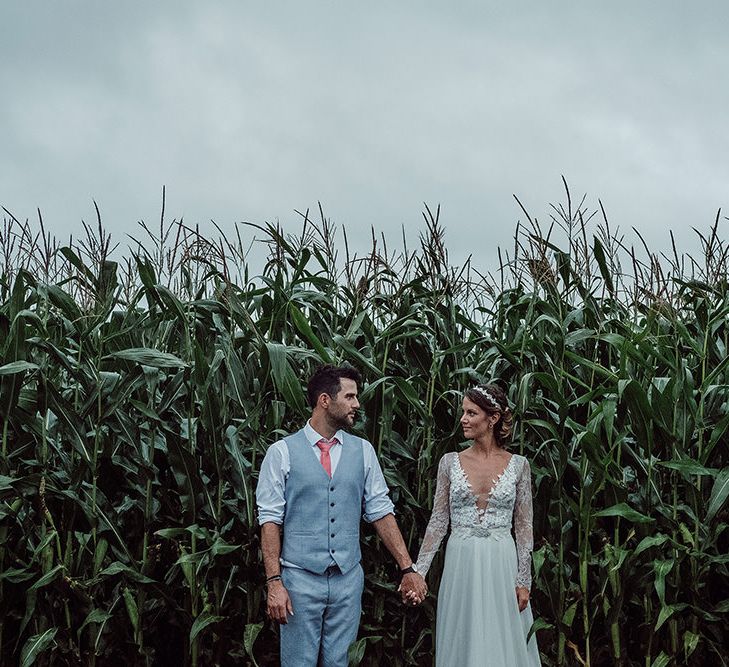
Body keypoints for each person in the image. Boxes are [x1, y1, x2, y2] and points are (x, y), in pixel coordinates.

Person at [256, 364, 427, 667]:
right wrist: (275, 583)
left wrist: (407, 567)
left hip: (348, 580)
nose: (357, 404)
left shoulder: (363, 451)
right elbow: (270, 521)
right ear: (325, 400)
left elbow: (380, 511)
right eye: (349, 397)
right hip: (298, 579)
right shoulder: (281, 452)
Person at [409, 383, 541, 666]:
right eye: (463, 412)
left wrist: (523, 580)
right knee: (464, 638)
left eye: (472, 413)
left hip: (501, 563)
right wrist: (419, 571)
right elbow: (438, 521)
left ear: (492, 419)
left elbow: (524, 527)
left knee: (502, 641)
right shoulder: (449, 463)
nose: (463, 420)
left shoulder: (519, 465)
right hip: (461, 563)